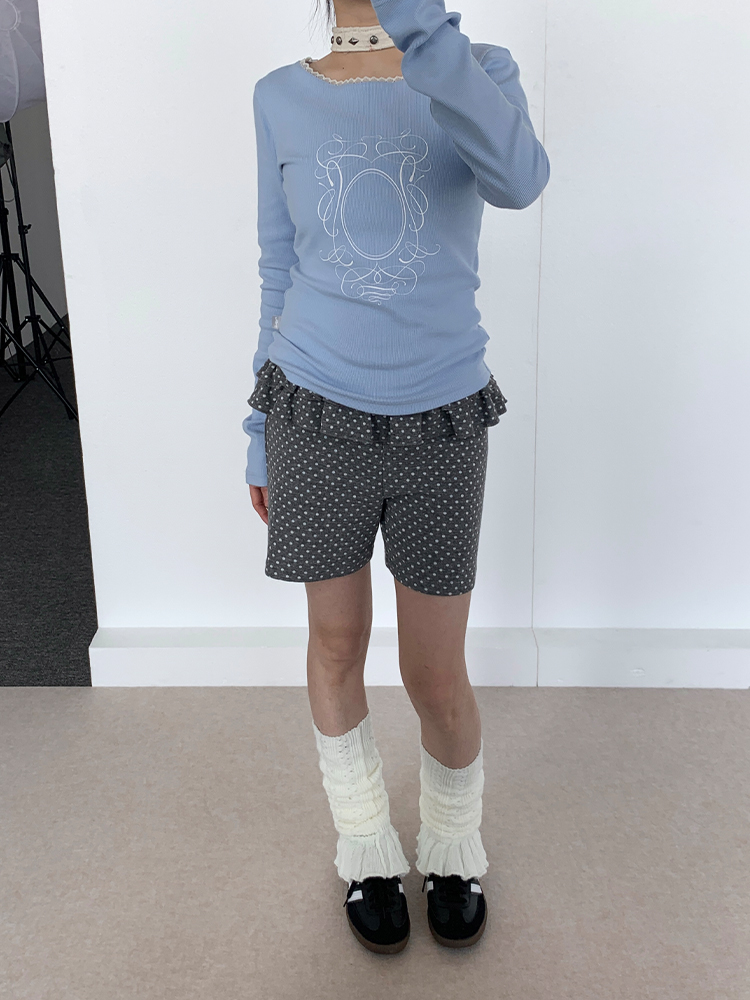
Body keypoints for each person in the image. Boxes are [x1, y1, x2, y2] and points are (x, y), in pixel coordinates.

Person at [242, 0, 550, 955]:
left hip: (442, 419)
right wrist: (258, 430)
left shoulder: (476, 67)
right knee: (336, 644)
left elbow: (522, 180)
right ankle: (367, 848)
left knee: (434, 669)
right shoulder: (279, 96)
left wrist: (425, 31)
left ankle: (453, 844)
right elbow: (278, 269)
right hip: (313, 412)